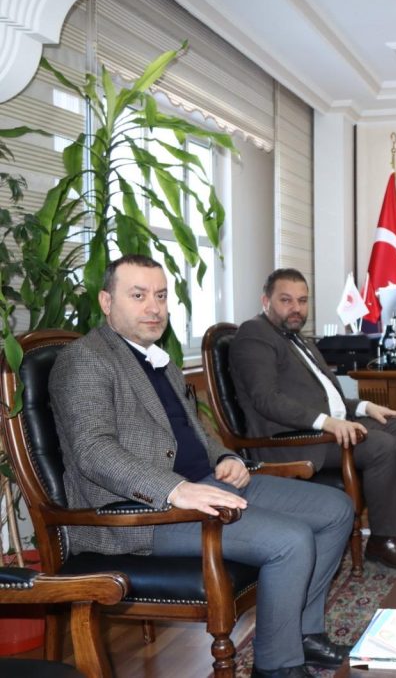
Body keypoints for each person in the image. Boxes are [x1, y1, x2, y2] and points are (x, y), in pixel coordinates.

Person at [49, 255, 353, 678]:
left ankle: (302, 633)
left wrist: (226, 457)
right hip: (141, 512)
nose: (154, 307)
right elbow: (93, 451)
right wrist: (175, 490)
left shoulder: (159, 360)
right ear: (106, 301)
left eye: (160, 296)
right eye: (138, 296)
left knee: (336, 509)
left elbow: (196, 435)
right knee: (290, 540)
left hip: (206, 484)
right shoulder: (85, 359)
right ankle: (276, 667)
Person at [230, 268, 396, 570]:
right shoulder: (255, 334)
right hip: (290, 438)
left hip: (324, 427)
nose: (296, 308)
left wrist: (365, 407)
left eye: (302, 301)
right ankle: (382, 540)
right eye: (286, 300)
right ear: (265, 301)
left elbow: (325, 398)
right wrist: (326, 422)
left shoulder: (299, 339)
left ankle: (395, 529)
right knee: (381, 446)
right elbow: (266, 399)